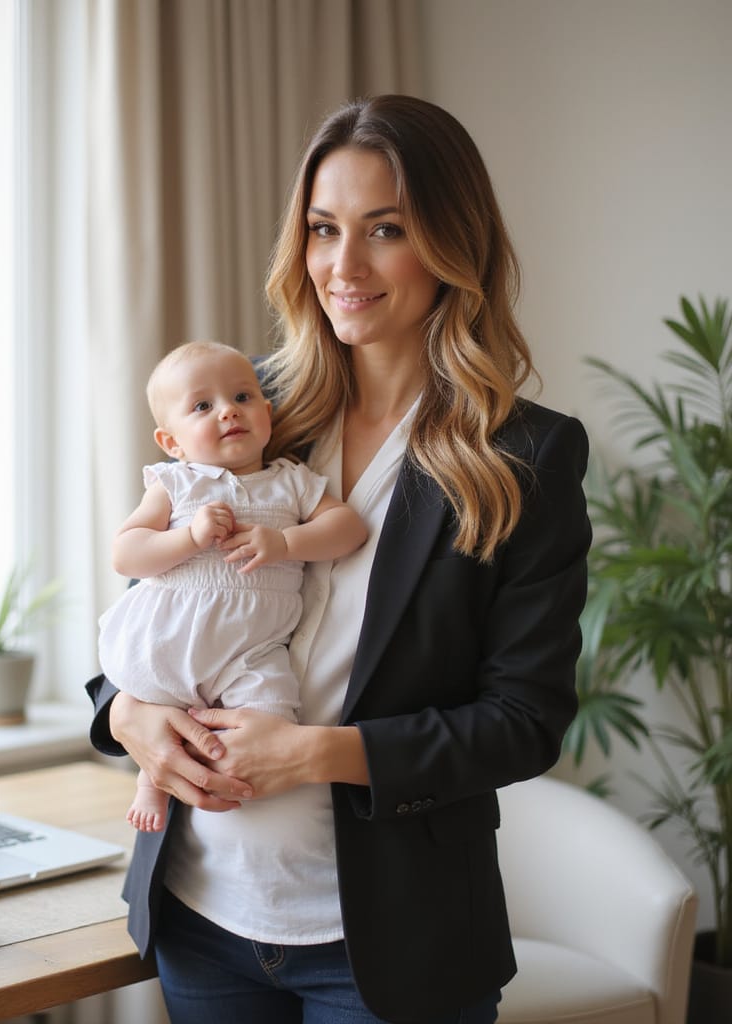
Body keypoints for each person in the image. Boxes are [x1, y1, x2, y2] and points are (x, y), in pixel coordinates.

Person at [87, 95, 590, 1024]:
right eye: (323, 230)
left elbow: (525, 720)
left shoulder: (525, 457)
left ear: (451, 243)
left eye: (385, 229)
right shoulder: (246, 408)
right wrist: (129, 719)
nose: (343, 267)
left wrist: (315, 753)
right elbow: (148, 606)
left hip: (393, 947)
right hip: (203, 915)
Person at [98, 340, 368, 832]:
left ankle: (236, 785)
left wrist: (286, 543)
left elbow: (348, 529)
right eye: (203, 406)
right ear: (171, 442)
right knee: (161, 709)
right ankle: (149, 781)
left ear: (267, 412)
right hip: (174, 634)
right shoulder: (176, 484)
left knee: (270, 710)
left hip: (254, 648)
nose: (228, 412)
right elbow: (126, 553)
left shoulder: (292, 482)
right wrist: (189, 536)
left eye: (243, 398)